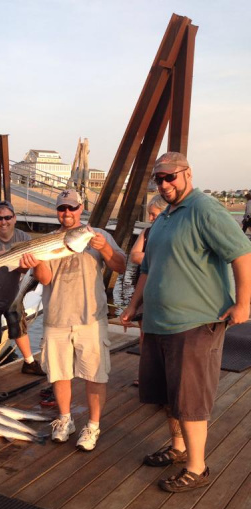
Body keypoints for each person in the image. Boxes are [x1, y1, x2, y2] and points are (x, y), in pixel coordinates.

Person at [121, 152, 251, 491]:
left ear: (187, 174)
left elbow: (242, 253)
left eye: (170, 177)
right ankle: (178, 449)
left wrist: (244, 303)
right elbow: (147, 269)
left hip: (196, 323)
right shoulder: (163, 218)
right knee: (168, 395)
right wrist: (134, 305)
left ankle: (198, 466)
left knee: (191, 399)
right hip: (158, 322)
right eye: (158, 179)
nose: (164, 184)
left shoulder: (204, 209)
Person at [20, 189, 126, 450]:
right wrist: (36, 263)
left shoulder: (98, 235)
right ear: (57, 212)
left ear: (81, 209)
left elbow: (121, 266)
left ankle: (93, 426)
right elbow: (45, 280)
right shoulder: (48, 240)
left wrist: (106, 250)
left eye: (72, 208)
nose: (67, 213)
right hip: (56, 317)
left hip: (91, 318)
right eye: (62, 209)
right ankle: (65, 419)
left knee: (95, 375)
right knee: (59, 374)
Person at [0, 200, 46, 389]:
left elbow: (34, 269)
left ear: (14, 218)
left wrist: (25, 268)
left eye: (8, 217)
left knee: (20, 328)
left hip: (15, 293)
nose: (4, 221)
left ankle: (29, 362)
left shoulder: (24, 237)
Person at [129, 194, 168, 385]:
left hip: (165, 291)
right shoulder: (147, 232)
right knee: (145, 334)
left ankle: (163, 376)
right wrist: (159, 257)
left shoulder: (173, 231)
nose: (150, 219)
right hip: (145, 289)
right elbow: (134, 256)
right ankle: (145, 374)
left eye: (153, 214)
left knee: (166, 336)